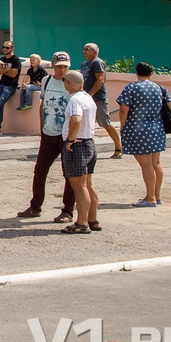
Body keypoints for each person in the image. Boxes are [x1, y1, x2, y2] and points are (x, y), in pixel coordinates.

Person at [17, 52, 75, 223]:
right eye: (59, 66)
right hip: (48, 133)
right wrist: (42, 128)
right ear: (53, 66)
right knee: (40, 171)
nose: (62, 70)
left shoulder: (73, 83)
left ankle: (68, 210)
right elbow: (42, 104)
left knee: (69, 174)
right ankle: (35, 206)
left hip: (65, 135)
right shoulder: (47, 81)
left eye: (65, 67)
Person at [117, 62, 169, 208]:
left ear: (136, 72)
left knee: (146, 165)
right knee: (156, 163)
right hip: (157, 129)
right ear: (151, 74)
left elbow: (123, 110)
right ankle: (156, 195)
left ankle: (150, 198)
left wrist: (123, 125)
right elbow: (170, 107)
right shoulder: (159, 88)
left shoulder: (132, 88)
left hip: (138, 130)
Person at [61, 70, 100, 234]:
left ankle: (82, 222)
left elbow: (76, 119)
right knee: (88, 184)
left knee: (79, 185)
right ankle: (92, 219)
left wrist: (70, 139)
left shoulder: (75, 100)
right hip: (89, 142)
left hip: (78, 144)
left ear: (68, 83)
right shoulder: (87, 98)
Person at [81, 43, 124, 158]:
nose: (84, 51)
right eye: (84, 49)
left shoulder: (97, 62)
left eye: (87, 49)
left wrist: (90, 94)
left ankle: (119, 147)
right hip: (85, 98)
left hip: (98, 98)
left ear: (95, 52)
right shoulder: (84, 64)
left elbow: (100, 80)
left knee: (105, 123)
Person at [0, 39, 23, 133]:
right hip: (1, 84)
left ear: (12, 48)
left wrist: (4, 70)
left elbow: (13, 74)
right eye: (3, 47)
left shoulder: (15, 60)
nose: (5, 49)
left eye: (7, 47)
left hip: (10, 86)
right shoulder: (3, 59)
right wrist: (8, 70)